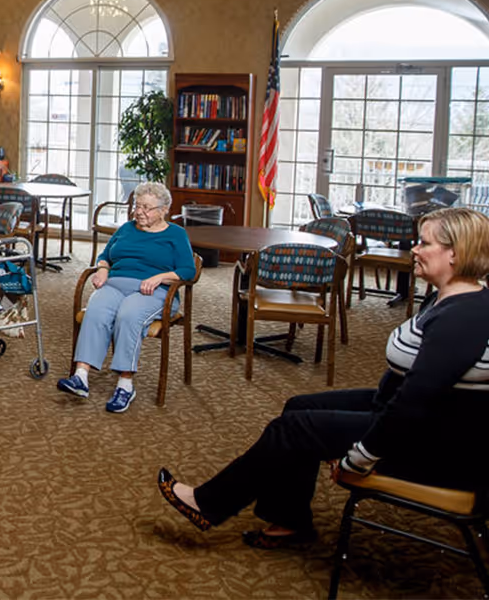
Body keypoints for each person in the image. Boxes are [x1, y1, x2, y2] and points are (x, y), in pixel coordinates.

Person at [157, 207, 489, 549]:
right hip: (416, 415)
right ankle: (289, 521)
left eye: (424, 243)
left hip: (436, 443)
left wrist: (359, 456)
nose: (414, 249)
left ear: (457, 254)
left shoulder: (463, 318)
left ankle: (208, 503)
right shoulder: (447, 298)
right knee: (298, 406)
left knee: (291, 429)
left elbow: (413, 405)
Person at [56, 181, 195, 413]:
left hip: (153, 291)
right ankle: (81, 377)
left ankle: (125, 384)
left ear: (163, 210)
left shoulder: (176, 234)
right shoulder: (127, 228)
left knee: (129, 315)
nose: (139, 212)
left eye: (147, 208)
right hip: (116, 284)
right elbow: (106, 255)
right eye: (137, 206)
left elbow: (188, 271)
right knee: (96, 309)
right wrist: (102, 268)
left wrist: (161, 277)